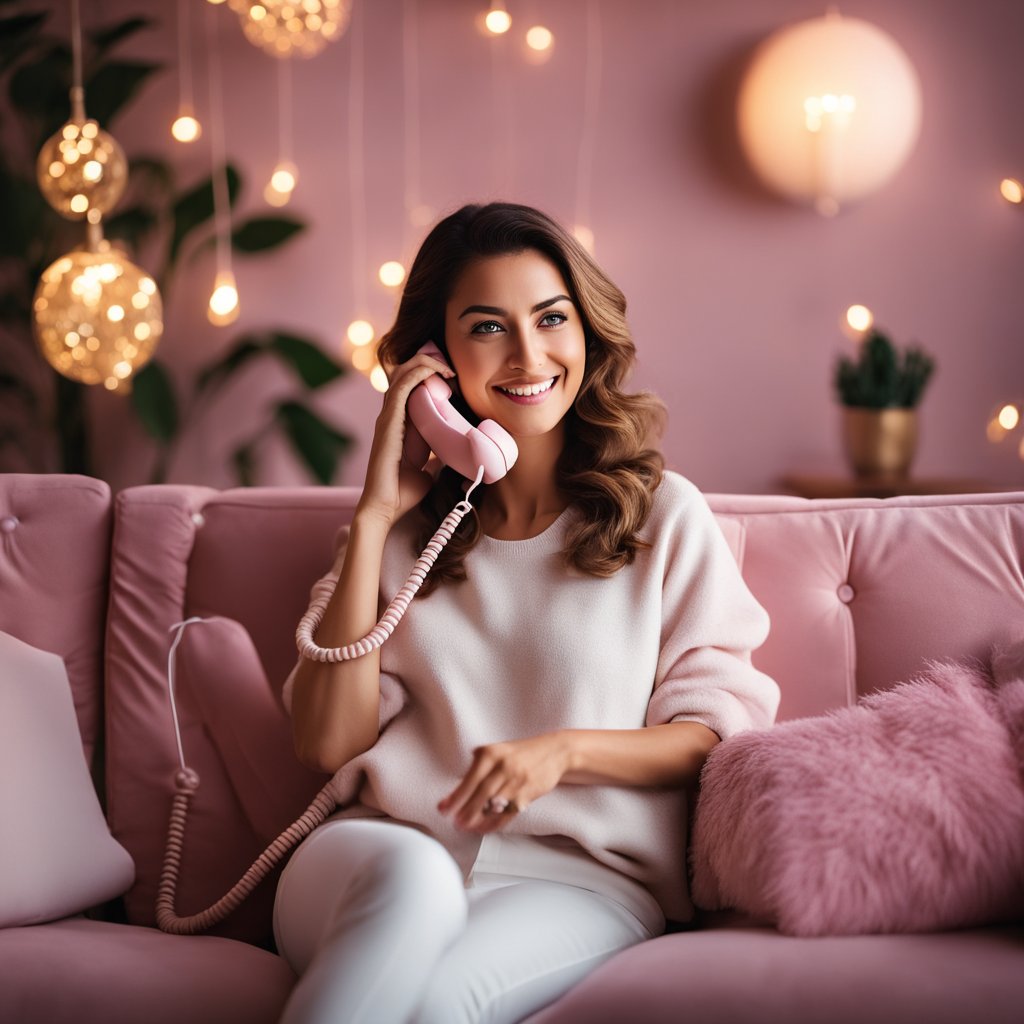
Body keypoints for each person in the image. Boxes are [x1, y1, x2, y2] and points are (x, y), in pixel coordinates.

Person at [274, 202, 780, 1024]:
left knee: (437, 1005)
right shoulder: (399, 538)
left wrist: (561, 754)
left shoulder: (664, 518)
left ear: (588, 332)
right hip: (377, 861)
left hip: (577, 882)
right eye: (486, 327)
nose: (527, 354)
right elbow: (325, 742)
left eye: (551, 318)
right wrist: (374, 515)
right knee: (418, 882)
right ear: (433, 365)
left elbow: (713, 732)